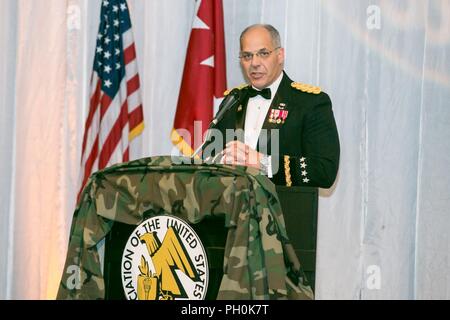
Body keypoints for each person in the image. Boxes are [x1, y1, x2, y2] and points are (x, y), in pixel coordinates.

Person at [213, 24, 340, 188]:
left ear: (280, 55)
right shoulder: (233, 100)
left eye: (263, 53)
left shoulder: (310, 103)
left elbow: (324, 171)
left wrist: (262, 162)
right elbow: (209, 155)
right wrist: (222, 160)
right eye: (247, 56)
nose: (255, 63)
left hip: (285, 211)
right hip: (232, 209)